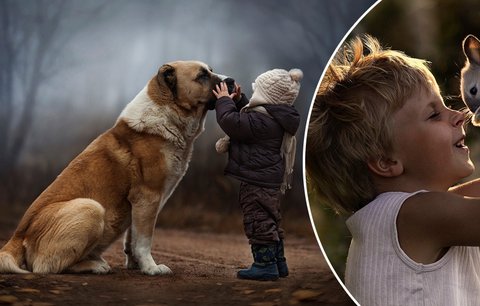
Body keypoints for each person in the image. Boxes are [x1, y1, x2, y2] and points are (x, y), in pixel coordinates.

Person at [306, 34, 480, 305]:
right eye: (434, 114)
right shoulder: (412, 217)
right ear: (386, 162)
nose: (459, 115)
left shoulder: (421, 213)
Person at [212, 68, 302, 281]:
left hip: (256, 180)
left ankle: (264, 266)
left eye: (256, 92)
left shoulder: (261, 122)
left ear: (267, 96)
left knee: (258, 219)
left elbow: (231, 122)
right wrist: (239, 100)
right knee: (270, 219)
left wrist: (223, 101)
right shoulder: (274, 117)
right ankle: (278, 262)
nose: (253, 97)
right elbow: (249, 117)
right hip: (267, 179)